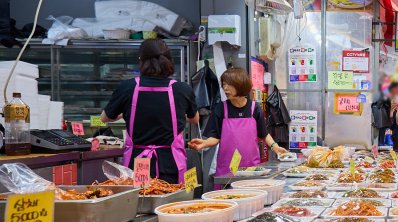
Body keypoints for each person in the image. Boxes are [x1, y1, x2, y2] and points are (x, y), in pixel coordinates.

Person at [102, 38, 199, 184]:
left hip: (138, 164)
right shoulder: (182, 89)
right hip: (171, 164)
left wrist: (124, 113)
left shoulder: (127, 87)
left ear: (141, 60)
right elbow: (195, 119)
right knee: (171, 205)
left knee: (140, 203)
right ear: (169, 60)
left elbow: (105, 118)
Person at [189, 67, 287, 176]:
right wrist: (204, 143)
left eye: (229, 85)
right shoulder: (221, 108)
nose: (225, 88)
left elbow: (264, 133)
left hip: (251, 168)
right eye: (224, 84)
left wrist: (275, 147)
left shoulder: (254, 108)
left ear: (240, 85)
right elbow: (215, 137)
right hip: (227, 169)